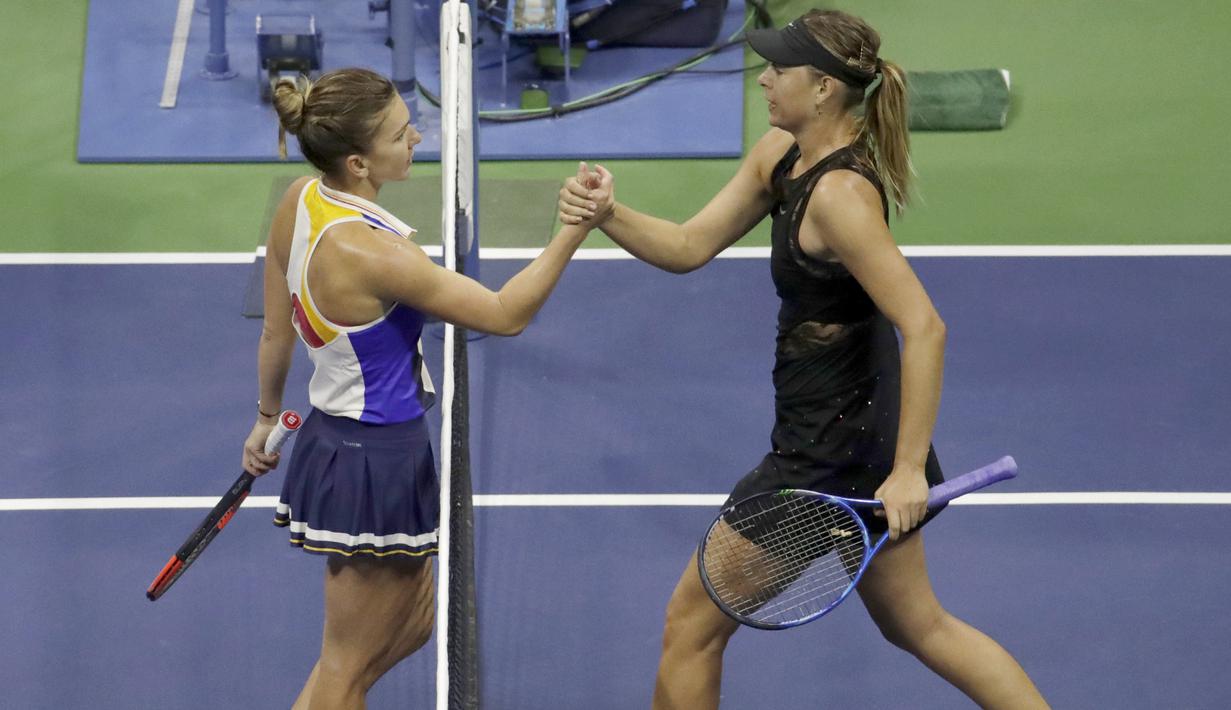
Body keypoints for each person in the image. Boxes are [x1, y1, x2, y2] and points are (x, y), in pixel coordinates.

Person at [558, 9, 1049, 709]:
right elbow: (688, 246)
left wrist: (908, 470)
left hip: (827, 460)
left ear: (821, 89)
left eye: (778, 71)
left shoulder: (841, 198)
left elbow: (925, 326)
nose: (764, 81)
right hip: (860, 438)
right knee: (921, 628)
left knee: (690, 626)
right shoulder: (780, 157)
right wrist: (609, 214)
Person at [242, 67, 592, 710]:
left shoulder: (301, 199)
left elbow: (274, 330)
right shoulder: (378, 257)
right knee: (347, 666)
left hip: (343, 443)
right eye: (402, 134)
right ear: (356, 161)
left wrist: (266, 417)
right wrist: (574, 227)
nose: (418, 138)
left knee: (410, 628)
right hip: (374, 459)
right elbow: (506, 314)